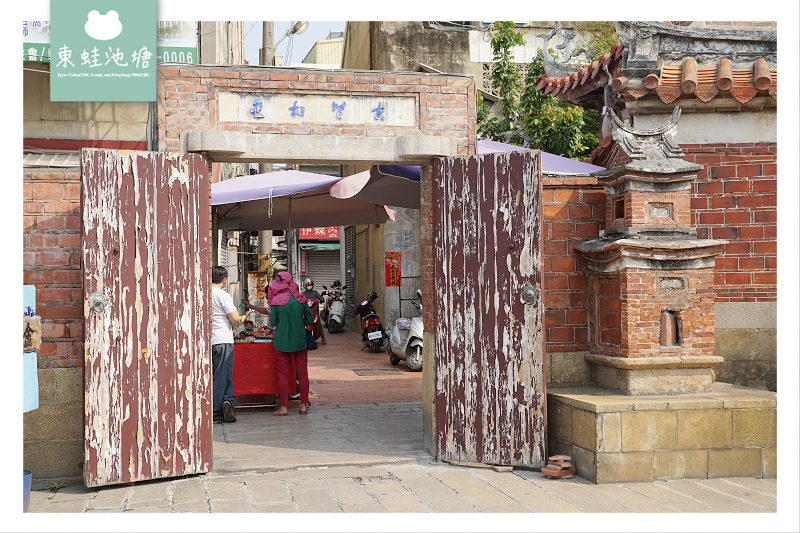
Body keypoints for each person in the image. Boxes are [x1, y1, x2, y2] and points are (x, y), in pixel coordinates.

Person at [268, 272, 314, 416]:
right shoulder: (301, 299)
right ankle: (303, 406)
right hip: (300, 340)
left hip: (281, 342)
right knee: (303, 373)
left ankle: (284, 408)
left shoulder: (275, 301)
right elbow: (310, 319)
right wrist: (303, 323)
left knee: (283, 375)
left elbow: (273, 322)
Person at [211, 266, 240, 423]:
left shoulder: (201, 293)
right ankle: (216, 411)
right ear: (224, 280)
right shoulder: (222, 295)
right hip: (223, 339)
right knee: (222, 375)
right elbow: (235, 317)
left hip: (208, 341)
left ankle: (227, 401)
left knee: (217, 375)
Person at [302, 278, 326, 345]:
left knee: (318, 324)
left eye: (310, 285)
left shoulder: (315, 292)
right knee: (302, 323)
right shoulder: (303, 294)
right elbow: (300, 300)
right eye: (308, 285)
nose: (309, 286)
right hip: (306, 311)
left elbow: (320, 298)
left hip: (315, 311)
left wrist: (321, 299)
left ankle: (323, 338)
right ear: (305, 286)